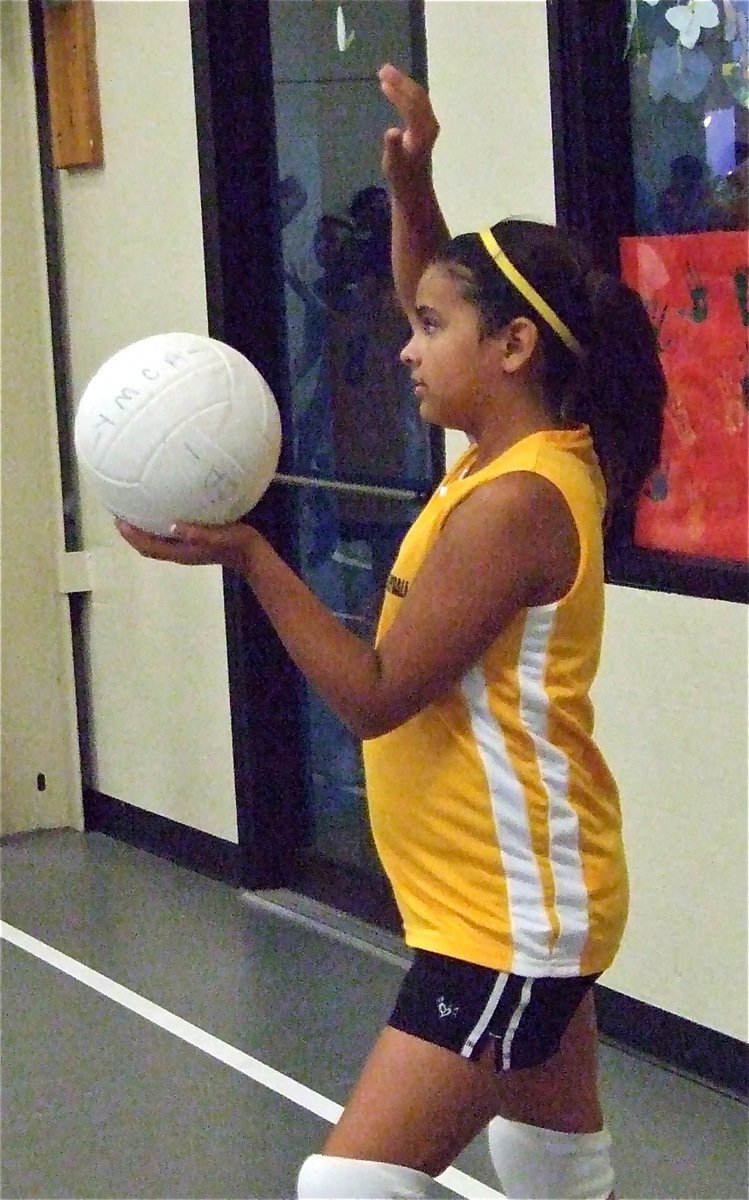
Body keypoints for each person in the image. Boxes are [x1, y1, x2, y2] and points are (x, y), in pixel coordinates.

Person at [116, 64, 667, 1200]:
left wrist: (252, 555)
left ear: (513, 349)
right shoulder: (516, 452)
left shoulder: (515, 505)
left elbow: (373, 694)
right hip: (514, 895)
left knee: (350, 1187)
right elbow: (432, 281)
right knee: (554, 1165)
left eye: (429, 328)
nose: (405, 345)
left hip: (509, 908)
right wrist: (410, 182)